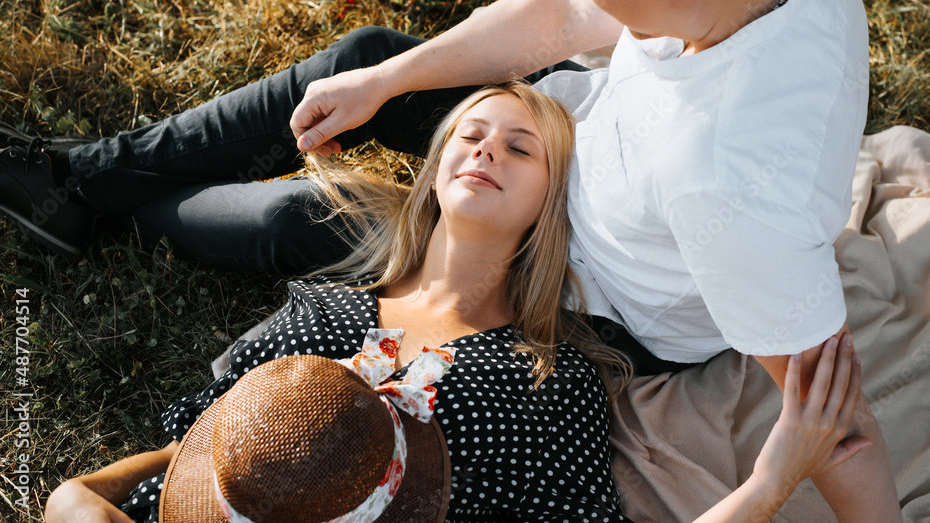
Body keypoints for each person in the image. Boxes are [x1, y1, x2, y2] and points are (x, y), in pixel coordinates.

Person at [2, 0, 901, 518]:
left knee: (308, 220)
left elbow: (839, 419)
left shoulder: (729, 187)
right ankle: (76, 185)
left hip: (579, 283)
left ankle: (102, 206)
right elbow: (557, 20)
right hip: (568, 139)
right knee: (362, 65)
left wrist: (805, 480)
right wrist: (388, 87)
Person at [43, 84, 867, 523]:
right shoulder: (323, 309)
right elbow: (207, 444)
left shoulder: (545, 377)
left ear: (554, 202)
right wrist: (86, 492)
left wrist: (771, 481)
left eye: (521, 148)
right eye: (471, 135)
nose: (485, 150)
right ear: (437, 165)